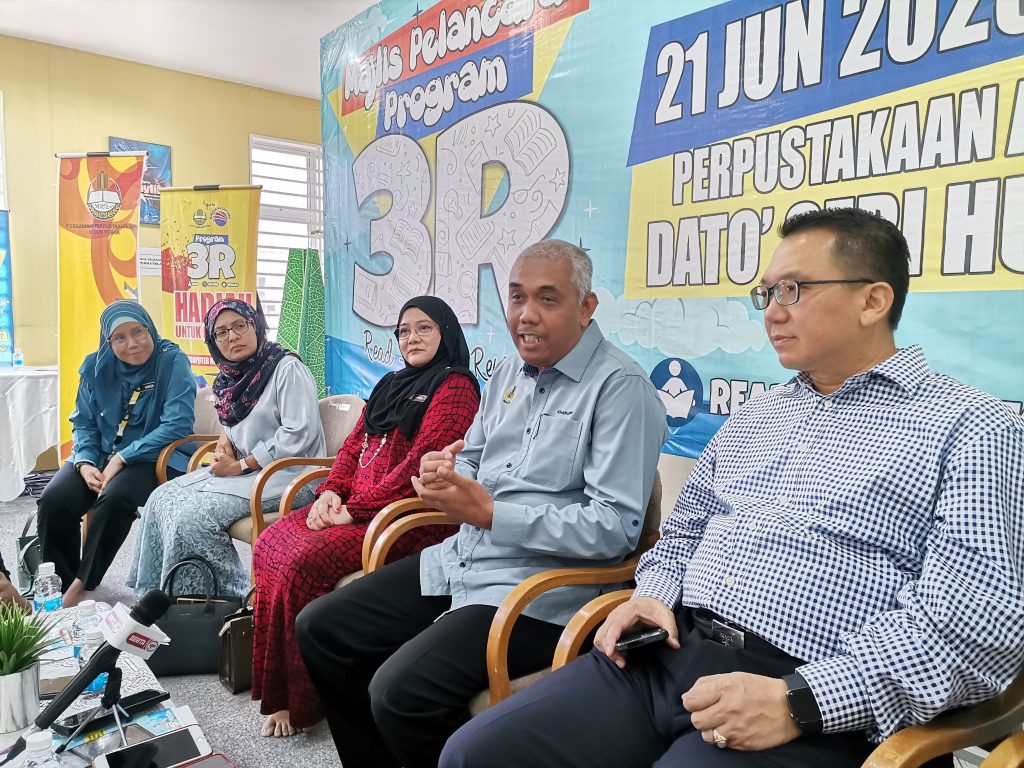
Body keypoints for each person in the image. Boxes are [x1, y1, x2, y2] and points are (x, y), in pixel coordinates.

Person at [439, 208, 1024, 768]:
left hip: (806, 688)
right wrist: (653, 595)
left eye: (793, 290)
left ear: (873, 300)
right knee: (475, 754)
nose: (772, 313)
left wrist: (803, 700)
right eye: (766, 294)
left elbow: (976, 625)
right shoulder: (755, 417)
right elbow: (681, 535)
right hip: (672, 648)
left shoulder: (971, 426)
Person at [296, 239, 667, 768]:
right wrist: (446, 475)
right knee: (321, 627)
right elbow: (470, 456)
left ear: (587, 307)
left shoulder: (620, 389)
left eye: (548, 299)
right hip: (466, 558)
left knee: (399, 693)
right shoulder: (507, 377)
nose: (526, 315)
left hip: (543, 590)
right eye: (516, 297)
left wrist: (492, 514)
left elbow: (614, 529)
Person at [251, 296, 481, 738]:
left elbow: (422, 467)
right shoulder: (390, 383)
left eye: (424, 328)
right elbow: (352, 447)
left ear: (447, 332)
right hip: (355, 510)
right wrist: (330, 492)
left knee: (301, 563)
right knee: (270, 544)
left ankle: (305, 701)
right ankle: (279, 690)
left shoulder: (456, 388)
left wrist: (354, 511)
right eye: (404, 331)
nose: (411, 338)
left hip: (407, 519)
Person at [127, 299, 325, 598]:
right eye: (221, 332)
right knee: (160, 497)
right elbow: (239, 423)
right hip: (250, 473)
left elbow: (298, 435)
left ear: (255, 326)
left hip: (292, 476)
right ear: (213, 341)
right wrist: (226, 439)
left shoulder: (287, 369)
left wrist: (241, 465)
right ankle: (159, 595)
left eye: (239, 326)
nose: (232, 336)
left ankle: (220, 598)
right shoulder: (229, 379)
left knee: (192, 518)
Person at [37, 300, 196, 607]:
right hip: (99, 454)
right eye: (119, 337)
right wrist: (84, 463)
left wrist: (123, 458)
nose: (132, 343)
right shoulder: (95, 367)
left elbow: (177, 424)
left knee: (115, 498)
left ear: (149, 329)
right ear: (108, 341)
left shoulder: (171, 360)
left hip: (155, 454)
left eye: (138, 332)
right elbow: (84, 422)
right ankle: (62, 582)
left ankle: (83, 583)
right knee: (54, 499)